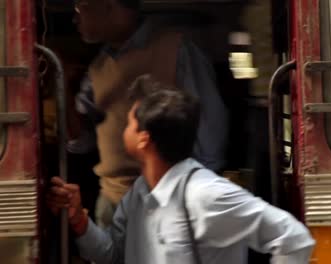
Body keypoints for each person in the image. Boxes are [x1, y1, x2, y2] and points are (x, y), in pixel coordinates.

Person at [47, 78, 314, 263]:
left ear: (144, 138)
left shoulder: (207, 195)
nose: (121, 130)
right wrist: (79, 220)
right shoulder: (141, 192)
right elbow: (112, 254)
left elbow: (292, 238)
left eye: (129, 123)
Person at [69, 0, 228, 228]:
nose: (75, 18)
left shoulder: (175, 49)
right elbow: (80, 143)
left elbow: (210, 135)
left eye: (80, 8)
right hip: (112, 202)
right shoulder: (98, 67)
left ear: (107, 6)